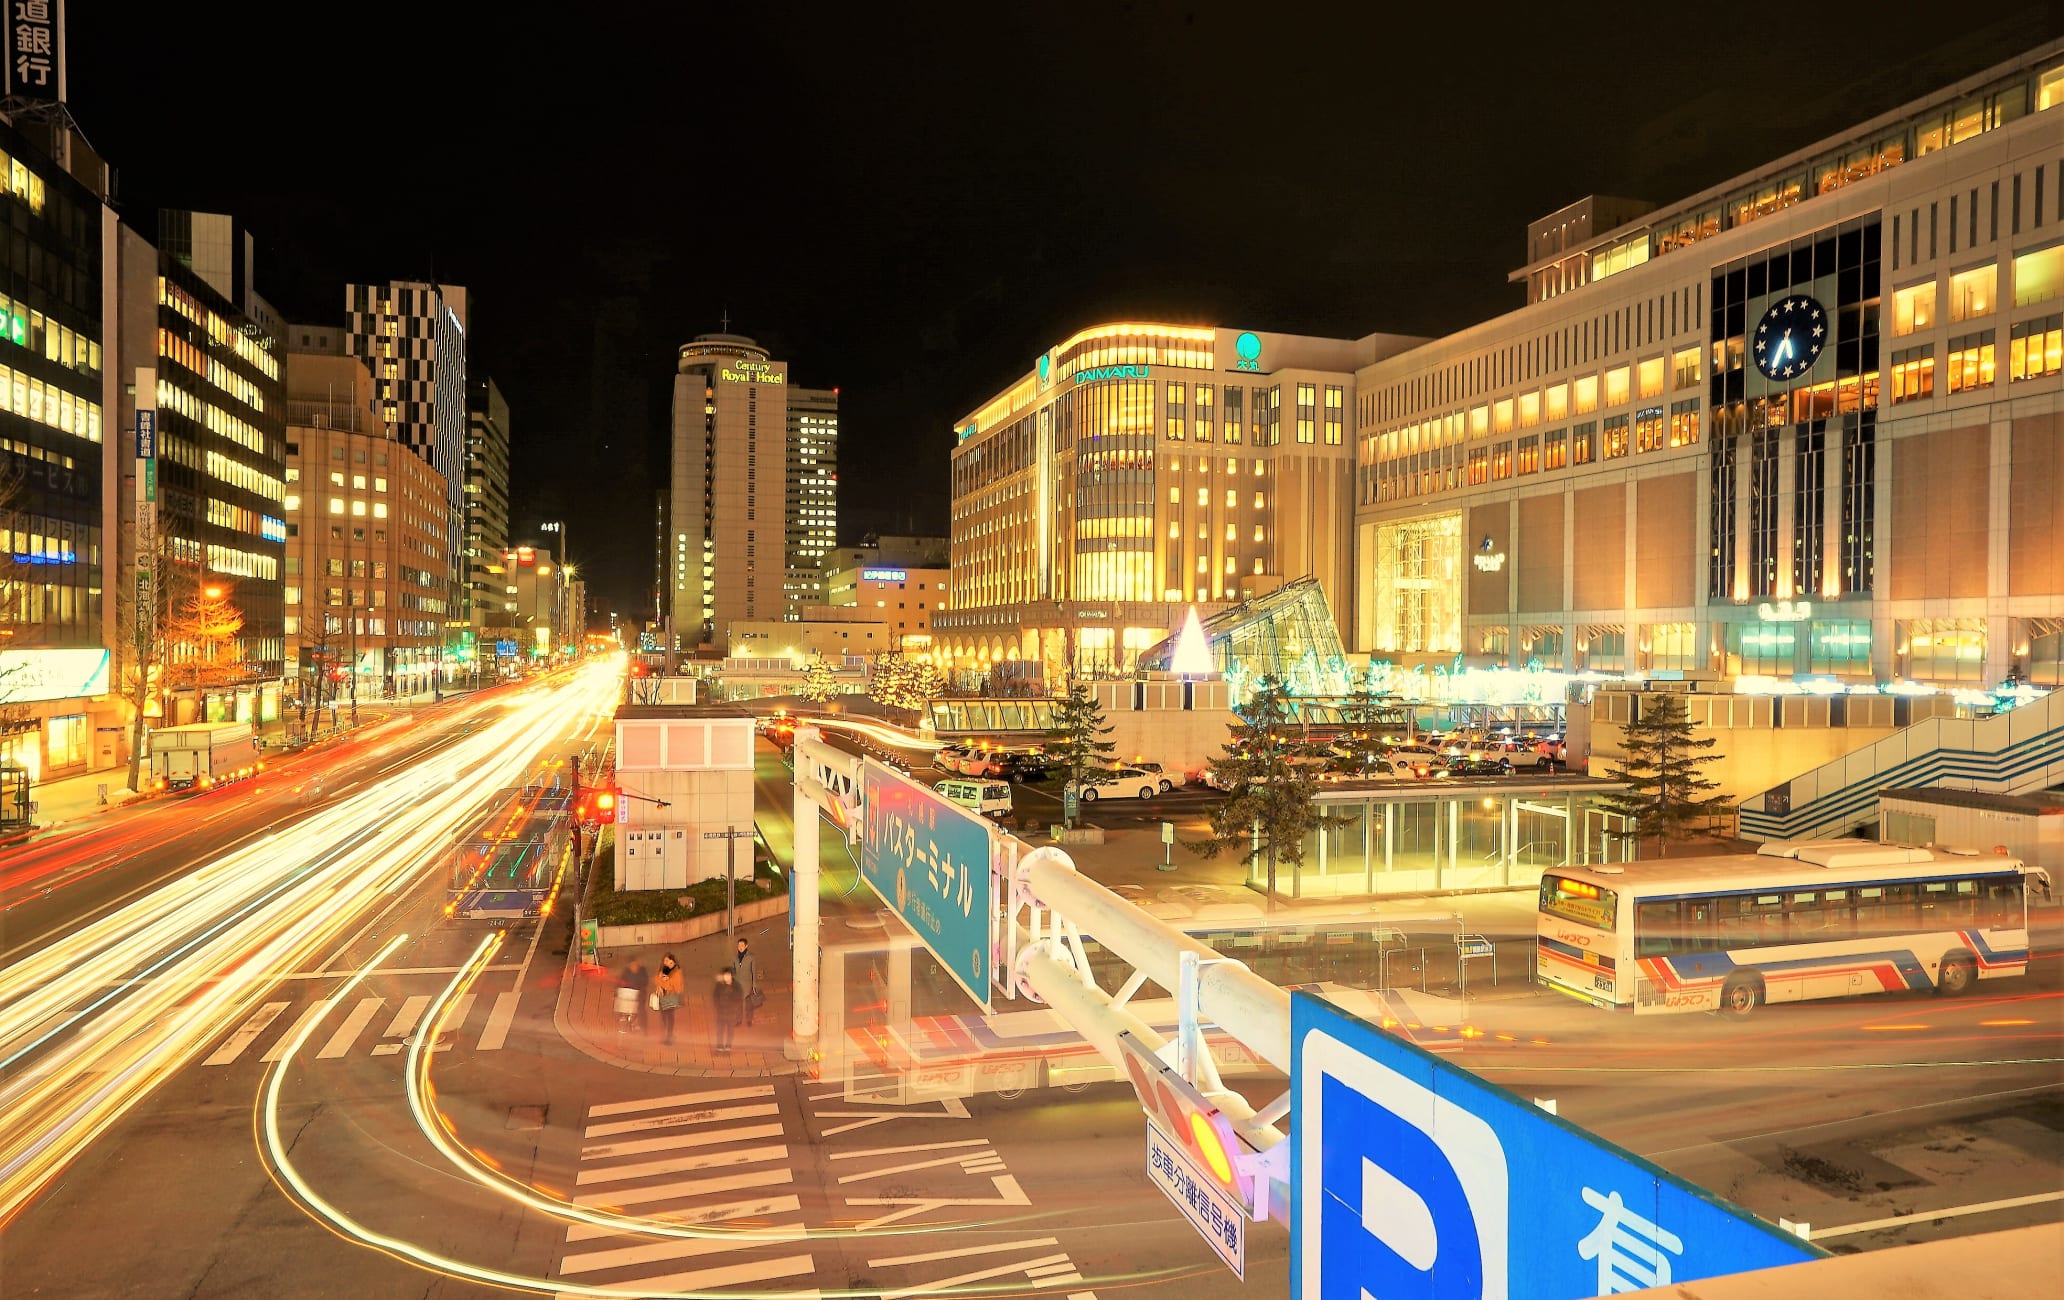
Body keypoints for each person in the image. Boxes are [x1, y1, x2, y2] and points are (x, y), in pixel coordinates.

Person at [653, 953, 684, 1045]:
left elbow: (677, 988)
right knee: (663, 1017)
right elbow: (655, 979)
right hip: (663, 997)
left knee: (669, 1017)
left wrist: (667, 981)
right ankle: (667, 1034)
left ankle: (669, 1037)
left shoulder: (677, 972)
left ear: (673, 962)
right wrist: (659, 984)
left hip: (671, 998)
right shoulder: (661, 970)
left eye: (670, 962)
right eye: (665, 961)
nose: (667, 963)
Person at [617, 956, 648, 1034]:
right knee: (626, 1009)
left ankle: (643, 1027)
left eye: (635, 964)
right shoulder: (626, 971)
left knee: (641, 1009)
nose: (634, 967)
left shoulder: (642, 971)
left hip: (639, 994)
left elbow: (645, 981)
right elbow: (621, 982)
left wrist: (639, 988)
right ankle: (628, 1025)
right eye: (632, 965)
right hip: (629, 995)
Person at [733, 937, 759, 1027]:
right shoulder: (735, 957)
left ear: (746, 946)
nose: (740, 947)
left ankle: (749, 1020)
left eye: (742, 945)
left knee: (749, 1005)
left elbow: (753, 971)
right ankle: (738, 1020)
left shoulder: (751, 957)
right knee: (738, 1004)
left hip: (747, 985)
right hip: (738, 984)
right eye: (739, 945)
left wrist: (754, 985)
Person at [712, 969, 739, 1053]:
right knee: (720, 1030)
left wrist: (735, 1008)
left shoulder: (736, 986)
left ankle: (728, 1046)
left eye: (728, 975)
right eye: (725, 975)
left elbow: (739, 998)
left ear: (731, 976)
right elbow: (715, 996)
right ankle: (719, 1046)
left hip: (731, 1012)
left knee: (730, 1030)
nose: (726, 977)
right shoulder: (719, 985)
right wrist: (718, 1006)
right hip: (721, 1012)